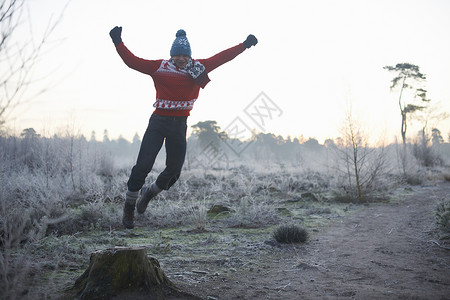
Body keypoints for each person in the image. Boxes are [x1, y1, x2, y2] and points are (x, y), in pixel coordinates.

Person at [109, 26, 258, 229]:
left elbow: (222, 57)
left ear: (189, 56)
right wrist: (118, 41)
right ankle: (129, 207)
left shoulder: (199, 68)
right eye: (177, 55)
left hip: (179, 125)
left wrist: (244, 45)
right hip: (158, 122)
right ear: (172, 55)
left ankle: (149, 194)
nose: (180, 59)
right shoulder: (159, 67)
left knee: (174, 171)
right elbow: (133, 62)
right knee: (143, 166)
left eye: (184, 56)